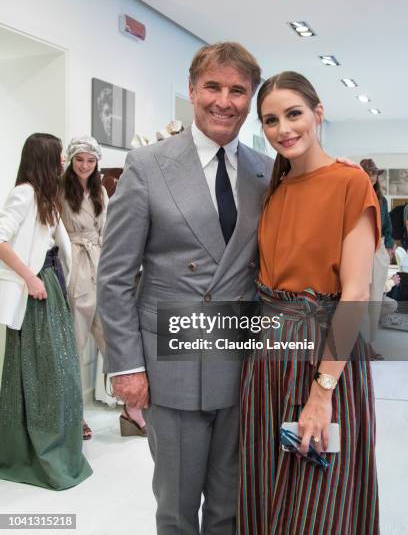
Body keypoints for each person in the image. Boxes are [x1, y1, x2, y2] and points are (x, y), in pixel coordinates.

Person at [97, 42, 273, 534]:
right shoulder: (147, 165)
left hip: (242, 364)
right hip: (172, 366)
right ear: (192, 90)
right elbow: (114, 277)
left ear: (251, 99)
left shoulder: (265, 171)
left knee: (229, 504)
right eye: (213, 86)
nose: (224, 100)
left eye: (238, 90)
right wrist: (127, 367)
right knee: (176, 508)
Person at [238, 72, 380, 534]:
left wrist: (321, 394)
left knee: (320, 499)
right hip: (269, 359)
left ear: (319, 114)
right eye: (271, 120)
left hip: (326, 358)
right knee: (266, 485)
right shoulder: (274, 188)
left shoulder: (350, 183)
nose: (283, 128)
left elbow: (356, 294)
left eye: (294, 114)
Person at [0, 133, 92, 490]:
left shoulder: (45, 195)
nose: (63, 163)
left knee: (59, 367)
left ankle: (57, 443)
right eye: (58, 157)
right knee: (43, 368)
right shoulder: (24, 192)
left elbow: (58, 241)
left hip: (50, 284)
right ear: (45, 159)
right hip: (35, 287)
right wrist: (29, 278)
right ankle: (34, 449)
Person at [61, 135, 146, 439]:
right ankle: (73, 416)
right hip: (73, 268)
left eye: (90, 160)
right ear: (70, 161)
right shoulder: (60, 190)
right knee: (73, 345)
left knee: (115, 340)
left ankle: (132, 409)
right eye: (80, 159)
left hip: (100, 264)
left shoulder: (100, 191)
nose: (85, 165)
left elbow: (110, 230)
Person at [360, 158, 394, 351]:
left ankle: (370, 344)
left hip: (379, 248)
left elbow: (388, 227)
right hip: (360, 248)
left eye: (373, 173)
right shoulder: (354, 195)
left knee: (375, 297)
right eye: (368, 172)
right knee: (360, 295)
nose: (371, 177)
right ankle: (361, 344)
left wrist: (388, 247)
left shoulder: (381, 200)